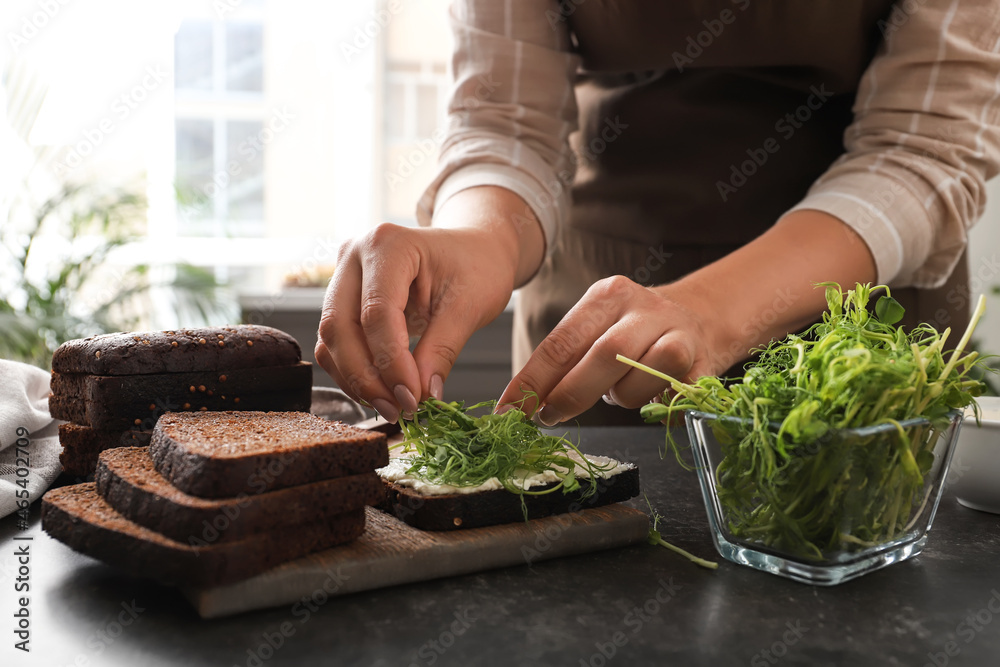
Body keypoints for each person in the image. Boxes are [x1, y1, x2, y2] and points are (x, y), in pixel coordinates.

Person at [316, 0, 1000, 426]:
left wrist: (711, 310)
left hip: (860, 338)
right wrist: (479, 236)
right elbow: (507, 119)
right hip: (598, 340)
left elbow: (924, 147)